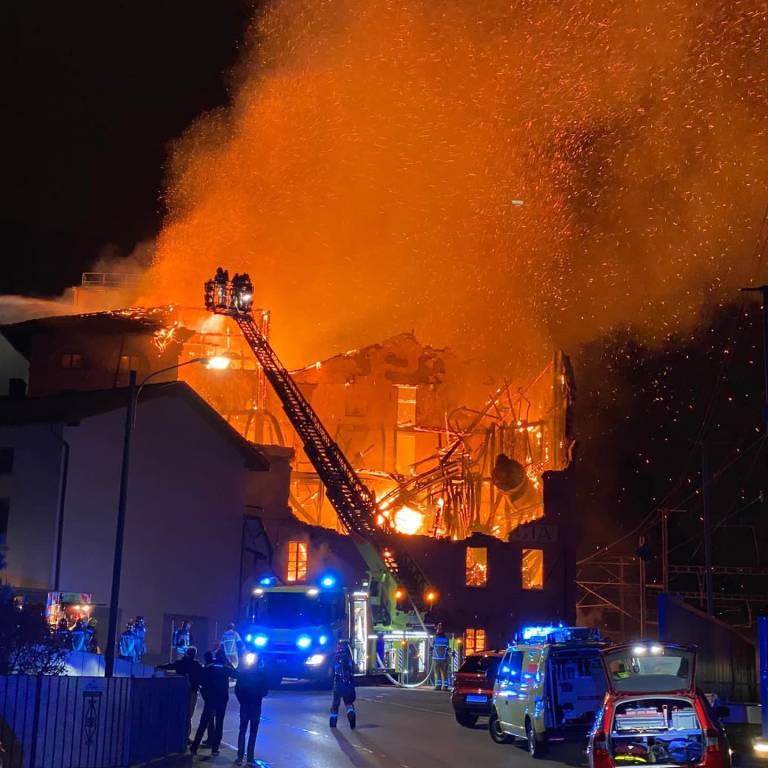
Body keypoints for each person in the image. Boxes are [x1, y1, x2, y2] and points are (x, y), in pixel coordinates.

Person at [190, 648, 237, 757]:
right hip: (222, 699)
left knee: (203, 723)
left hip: (211, 699)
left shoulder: (210, 667)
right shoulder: (226, 667)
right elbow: (236, 674)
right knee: (219, 724)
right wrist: (229, 663)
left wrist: (205, 692)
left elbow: (201, 679)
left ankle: (194, 747)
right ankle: (215, 749)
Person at [156, 646, 204, 739]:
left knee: (179, 712)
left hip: (180, 691)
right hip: (192, 691)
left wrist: (158, 666)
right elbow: (202, 676)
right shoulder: (196, 665)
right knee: (188, 714)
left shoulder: (181, 662)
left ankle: (177, 734)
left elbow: (169, 665)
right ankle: (185, 736)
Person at [235, 651, 270, 765]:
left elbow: (237, 689)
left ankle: (240, 756)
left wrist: (242, 700)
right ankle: (250, 757)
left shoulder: (244, 674)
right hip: (255, 706)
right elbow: (265, 691)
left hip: (245, 705)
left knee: (243, 731)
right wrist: (258, 696)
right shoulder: (262, 675)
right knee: (253, 732)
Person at [329, 640, 356, 730]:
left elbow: (330, 672)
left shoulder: (335, 658)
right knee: (348, 703)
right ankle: (351, 714)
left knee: (335, 704)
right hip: (348, 684)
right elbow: (354, 670)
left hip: (338, 683)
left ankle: (333, 721)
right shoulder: (349, 658)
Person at [431, 622, 450, 690]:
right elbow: (448, 648)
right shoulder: (446, 639)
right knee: (444, 674)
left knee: (437, 673)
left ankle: (438, 686)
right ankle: (445, 686)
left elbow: (431, 647)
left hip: (436, 659)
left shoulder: (434, 638)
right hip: (444, 659)